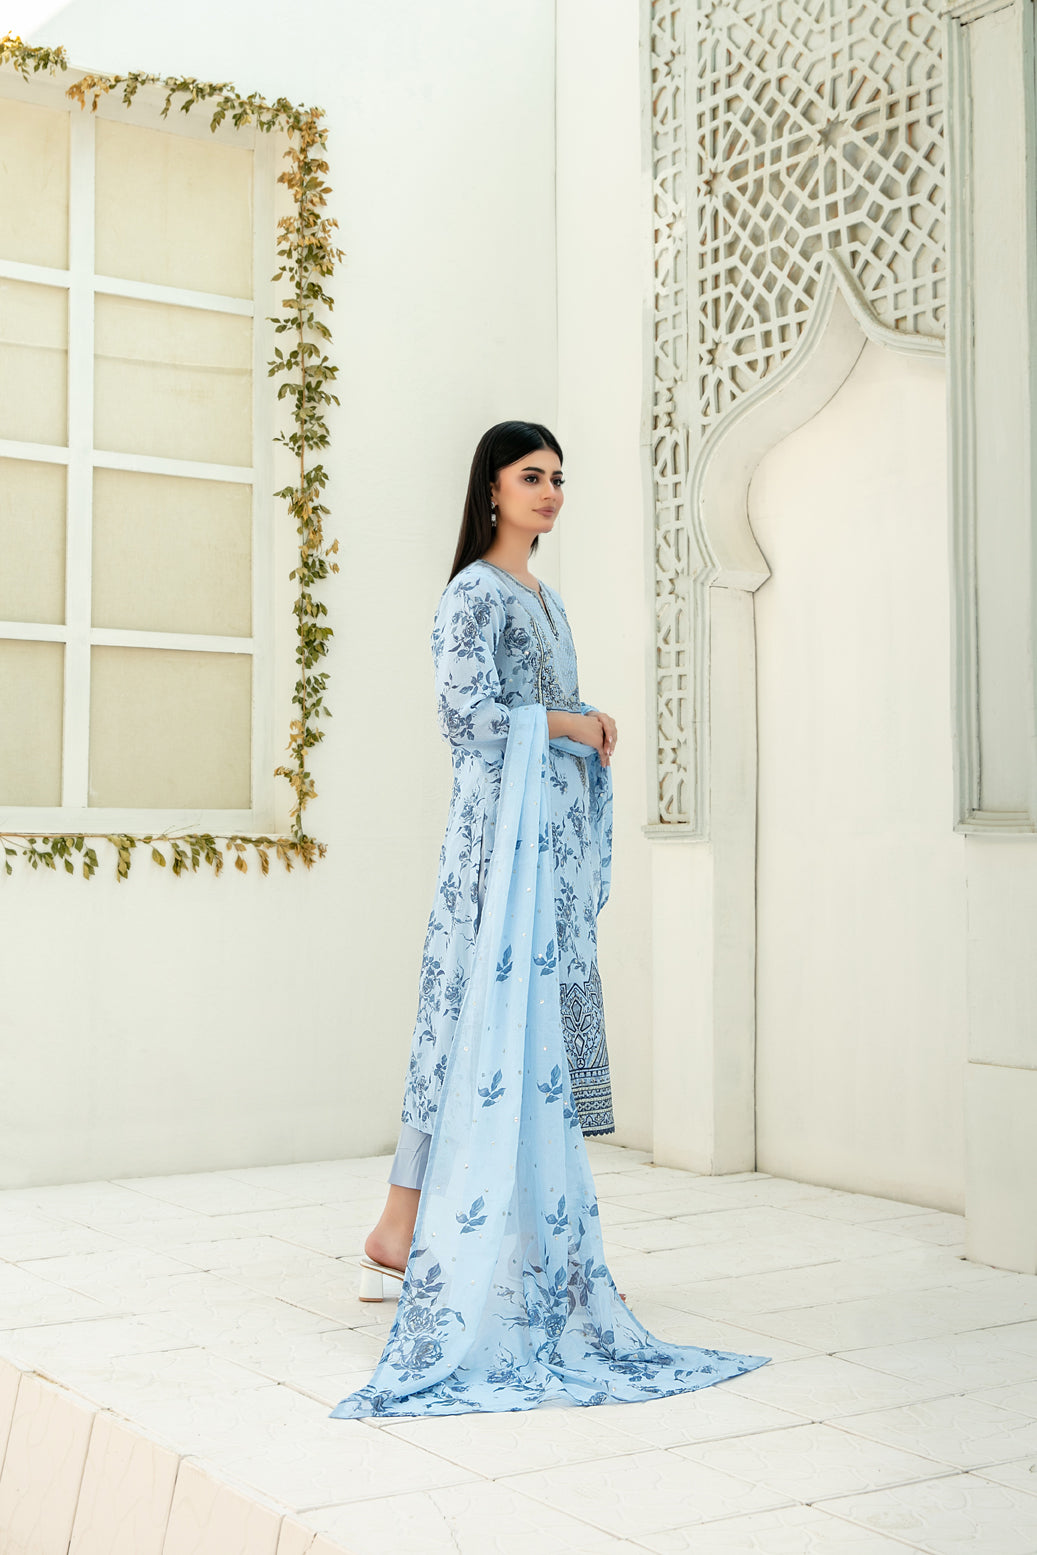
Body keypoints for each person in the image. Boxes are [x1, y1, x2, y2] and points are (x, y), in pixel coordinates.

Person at [330, 421, 770, 1419]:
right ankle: (400, 1234)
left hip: (548, 856)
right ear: (490, 488)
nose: (550, 492)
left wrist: (579, 724)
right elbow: (467, 721)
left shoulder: (545, 598)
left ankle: (428, 1237)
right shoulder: (473, 594)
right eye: (532, 476)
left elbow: (539, 711)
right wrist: (568, 724)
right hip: (494, 856)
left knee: (521, 1037)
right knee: (464, 1027)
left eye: (559, 478)